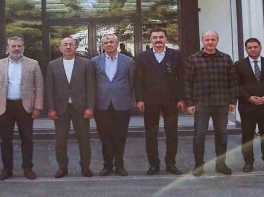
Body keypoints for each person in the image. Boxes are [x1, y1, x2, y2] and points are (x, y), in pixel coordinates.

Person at [0, 36, 44, 180]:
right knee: (5, 140)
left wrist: (38, 107)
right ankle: (7, 169)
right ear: (7, 48)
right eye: (13, 46)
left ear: (23, 47)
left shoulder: (33, 64)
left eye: (19, 46)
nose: (16, 48)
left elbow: (39, 86)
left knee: (27, 139)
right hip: (4, 106)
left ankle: (28, 168)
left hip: (25, 107)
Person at [185, 30, 237, 176]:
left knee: (222, 135)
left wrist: (232, 101)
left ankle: (220, 164)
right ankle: (198, 164)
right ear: (202, 41)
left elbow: (232, 82)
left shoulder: (226, 58)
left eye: (213, 39)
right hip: (201, 103)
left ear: (217, 41)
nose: (210, 42)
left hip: (221, 103)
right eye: (207, 39)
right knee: (199, 135)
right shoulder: (193, 59)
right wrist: (189, 103)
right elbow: (187, 83)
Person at [135, 27, 185, 175]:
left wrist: (181, 98)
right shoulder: (142, 57)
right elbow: (138, 81)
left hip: (171, 101)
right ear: (150, 40)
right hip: (150, 101)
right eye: (155, 37)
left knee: (172, 134)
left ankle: (171, 163)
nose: (158, 40)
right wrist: (139, 99)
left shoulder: (176, 55)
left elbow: (181, 78)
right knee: (151, 134)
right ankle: (153, 164)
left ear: (166, 39)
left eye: (161, 37)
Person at [45, 37, 96, 178]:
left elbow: (91, 87)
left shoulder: (86, 63)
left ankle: (85, 167)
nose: (68, 47)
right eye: (65, 45)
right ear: (60, 48)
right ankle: (62, 167)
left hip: (81, 107)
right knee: (60, 140)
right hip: (61, 108)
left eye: (71, 44)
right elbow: (49, 88)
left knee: (84, 139)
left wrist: (90, 107)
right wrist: (51, 108)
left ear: (76, 47)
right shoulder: (52, 65)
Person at [90, 33, 135, 176]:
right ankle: (107, 165)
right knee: (105, 138)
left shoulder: (128, 61)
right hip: (101, 105)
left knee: (120, 137)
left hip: (121, 104)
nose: (109, 45)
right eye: (106, 43)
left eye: (111, 42)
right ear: (102, 45)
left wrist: (127, 97)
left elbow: (132, 82)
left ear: (117, 43)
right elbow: (91, 83)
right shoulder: (94, 61)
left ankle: (120, 165)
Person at [234, 37, 264, 173]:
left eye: (255, 47)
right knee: (247, 135)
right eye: (250, 47)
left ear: (260, 47)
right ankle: (248, 162)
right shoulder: (239, 65)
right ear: (246, 49)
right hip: (247, 106)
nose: (253, 49)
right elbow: (236, 85)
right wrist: (248, 98)